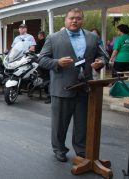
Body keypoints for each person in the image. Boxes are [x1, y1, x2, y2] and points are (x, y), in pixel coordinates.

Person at [38, 8, 105, 162]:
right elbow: (41, 59)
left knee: (82, 123)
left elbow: (102, 56)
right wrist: (57, 62)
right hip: (62, 87)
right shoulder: (53, 38)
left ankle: (81, 151)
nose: (74, 21)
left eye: (78, 18)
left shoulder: (92, 37)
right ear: (65, 20)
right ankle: (59, 149)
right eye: (71, 18)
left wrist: (100, 63)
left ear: (83, 20)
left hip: (85, 88)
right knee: (60, 124)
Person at [34, 31, 51, 104]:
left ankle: (49, 96)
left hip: (45, 62)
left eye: (38, 35)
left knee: (46, 79)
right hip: (42, 61)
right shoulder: (45, 41)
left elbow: (36, 49)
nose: (38, 36)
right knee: (44, 77)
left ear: (41, 35)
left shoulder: (42, 42)